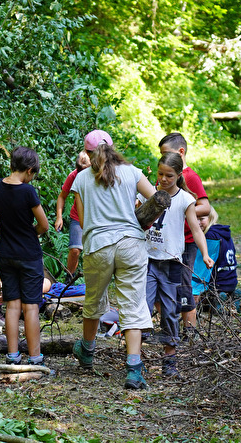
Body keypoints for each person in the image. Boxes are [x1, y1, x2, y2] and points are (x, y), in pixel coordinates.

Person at [70, 129, 157, 390]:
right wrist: (139, 216)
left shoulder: (81, 179)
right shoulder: (131, 171)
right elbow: (157, 198)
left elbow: (83, 222)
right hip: (131, 243)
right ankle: (133, 369)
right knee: (133, 303)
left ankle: (87, 352)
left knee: (94, 299)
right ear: (112, 147)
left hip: (98, 246)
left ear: (87, 153)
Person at [143, 152, 213, 377]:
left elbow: (195, 229)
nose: (163, 179)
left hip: (173, 262)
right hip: (148, 260)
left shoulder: (185, 199)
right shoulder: (149, 193)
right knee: (142, 304)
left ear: (179, 175)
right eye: (161, 174)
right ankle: (135, 358)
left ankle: (169, 363)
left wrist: (205, 254)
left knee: (171, 312)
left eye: (169, 176)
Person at [0, 146, 49, 366]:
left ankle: (13, 355)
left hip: (5, 253)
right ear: (28, 170)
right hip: (28, 254)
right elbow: (44, 225)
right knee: (31, 307)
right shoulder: (28, 191)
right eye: (33, 174)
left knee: (12, 306)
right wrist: (30, 233)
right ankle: (35, 358)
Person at [159, 132, 211, 336]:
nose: (163, 158)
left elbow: (205, 207)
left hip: (186, 242)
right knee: (165, 286)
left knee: (183, 287)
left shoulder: (189, 176)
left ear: (181, 152)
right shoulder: (165, 177)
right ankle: (171, 328)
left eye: (166, 153)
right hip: (167, 242)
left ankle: (190, 332)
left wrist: (184, 210)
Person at [192, 206, 241, 313]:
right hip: (231, 280)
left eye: (201, 219)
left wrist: (194, 288)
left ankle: (216, 300)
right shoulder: (223, 233)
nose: (197, 222)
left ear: (211, 218)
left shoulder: (210, 236)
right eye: (195, 218)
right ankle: (232, 296)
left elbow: (202, 268)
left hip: (218, 283)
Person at [54, 150, 91, 283]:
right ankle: (69, 278)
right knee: (75, 250)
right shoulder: (74, 175)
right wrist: (59, 216)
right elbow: (62, 196)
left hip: (95, 217)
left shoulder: (99, 175)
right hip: (77, 217)